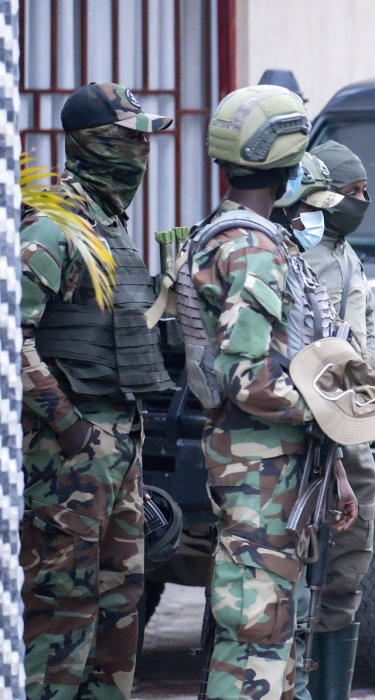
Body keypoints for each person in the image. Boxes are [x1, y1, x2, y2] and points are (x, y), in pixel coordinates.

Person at [187, 84, 356, 700]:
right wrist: (333, 409)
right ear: (286, 159)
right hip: (258, 470)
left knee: (276, 639)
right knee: (255, 640)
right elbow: (250, 379)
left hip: (274, 470)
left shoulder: (246, 236)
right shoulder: (252, 247)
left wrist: (334, 464)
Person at [18, 82, 174, 700]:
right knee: (62, 613)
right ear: (96, 142)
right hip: (67, 459)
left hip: (118, 446)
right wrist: (72, 428)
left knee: (119, 610)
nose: (142, 152)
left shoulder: (109, 226)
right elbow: (10, 340)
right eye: (131, 139)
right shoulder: (54, 228)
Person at [286, 143, 375, 700]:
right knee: (308, 578)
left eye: (365, 192)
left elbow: (363, 345)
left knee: (345, 574)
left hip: (354, 433)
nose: (363, 202)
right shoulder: (303, 252)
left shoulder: (344, 253)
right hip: (319, 435)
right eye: (353, 192)